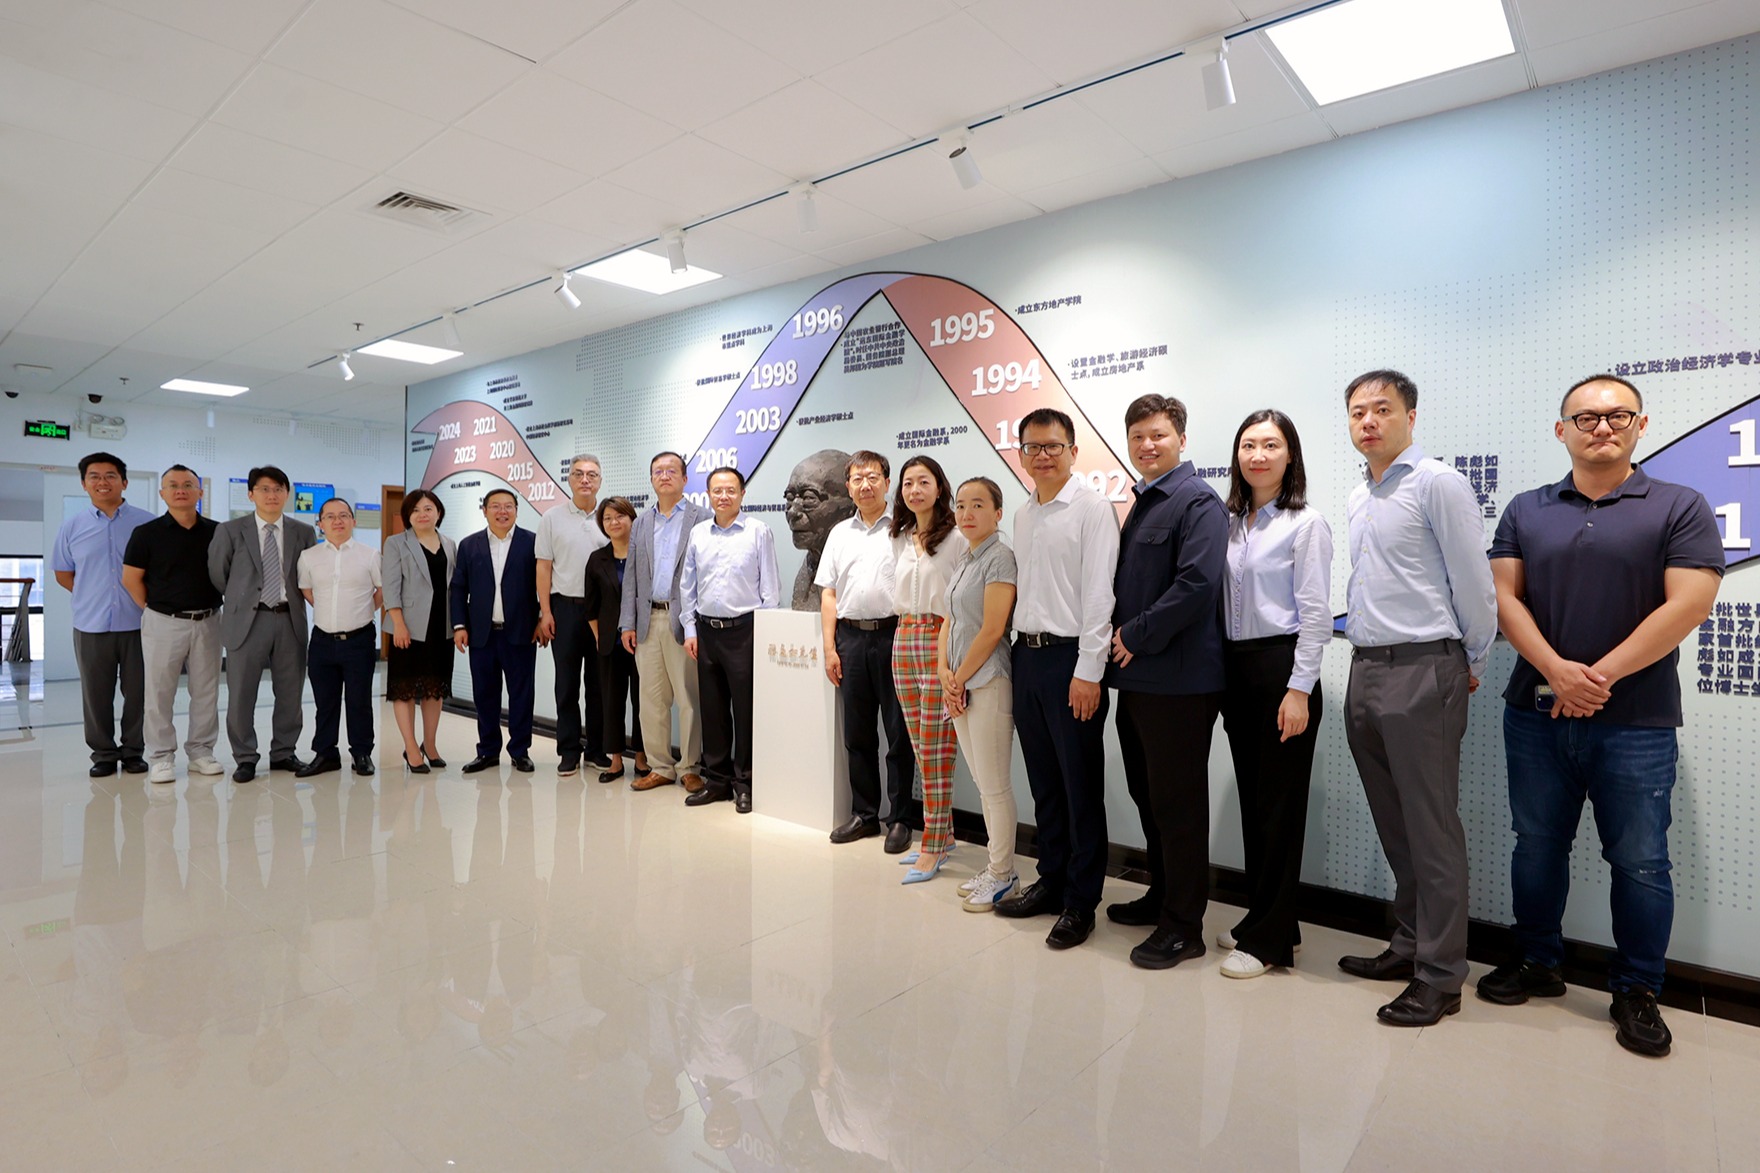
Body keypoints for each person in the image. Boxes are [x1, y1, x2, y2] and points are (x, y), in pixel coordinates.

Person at [1482, 374, 1722, 1057]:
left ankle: (1637, 988)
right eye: (1585, 418)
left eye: (1618, 415)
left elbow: (1689, 603)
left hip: (1637, 721)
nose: (1603, 427)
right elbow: (1504, 598)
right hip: (1536, 714)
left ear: (1640, 426)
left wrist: (1598, 677)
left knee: (1641, 861)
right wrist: (1557, 672)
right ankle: (1538, 961)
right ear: (1562, 430)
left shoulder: (1679, 505)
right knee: (1536, 844)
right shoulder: (1526, 509)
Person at [1336, 370, 1497, 1027]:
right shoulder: (1359, 495)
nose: (1369, 421)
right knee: (1395, 822)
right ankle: (1408, 944)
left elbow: (1474, 582)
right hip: (1366, 667)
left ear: (1410, 415)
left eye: (1382, 409)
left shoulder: (1438, 483)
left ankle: (1440, 975)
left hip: (1425, 665)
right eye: (1358, 412)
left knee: (1431, 829)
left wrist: (1470, 659)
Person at [1105, 394, 1229, 970]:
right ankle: (1162, 896)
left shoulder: (1197, 500)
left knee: (1178, 807)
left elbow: (1197, 584)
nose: (1147, 445)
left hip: (1178, 683)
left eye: (1157, 435)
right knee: (1149, 797)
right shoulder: (1144, 501)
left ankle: (1184, 926)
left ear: (1181, 438)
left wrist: (1136, 633)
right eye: (1137, 437)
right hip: (1139, 681)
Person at [993, 408, 1120, 949]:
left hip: (1073, 661)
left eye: (1053, 446)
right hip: (1027, 658)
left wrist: (1090, 671)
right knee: (1043, 780)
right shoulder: (1024, 514)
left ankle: (1081, 901)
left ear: (1072, 451)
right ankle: (1051, 879)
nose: (1042, 455)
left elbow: (1099, 596)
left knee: (1079, 785)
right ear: (1021, 454)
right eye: (1032, 447)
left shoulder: (1092, 509)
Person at [1215, 410, 1332, 979]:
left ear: (1290, 455)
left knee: (1279, 810)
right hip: (1236, 671)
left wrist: (1299, 689)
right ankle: (1272, 919)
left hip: (1282, 670)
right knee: (1255, 806)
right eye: (1248, 445)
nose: (1257, 455)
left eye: (1270, 445)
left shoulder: (1305, 524)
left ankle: (1268, 944)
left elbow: (1316, 617)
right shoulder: (1230, 522)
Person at [820, 451, 918, 853]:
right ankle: (864, 814)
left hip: (895, 635)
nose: (865, 485)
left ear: (887, 482)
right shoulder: (839, 533)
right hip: (850, 639)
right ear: (848, 486)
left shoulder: (906, 529)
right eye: (857, 478)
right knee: (857, 734)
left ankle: (900, 819)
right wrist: (830, 647)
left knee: (899, 733)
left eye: (873, 477)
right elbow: (829, 593)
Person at [938, 477, 1020, 911]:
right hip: (961, 683)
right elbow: (949, 621)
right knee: (983, 784)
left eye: (978, 505)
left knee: (995, 786)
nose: (967, 513)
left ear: (997, 513)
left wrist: (959, 677)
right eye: (961, 505)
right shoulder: (965, 559)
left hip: (988, 681)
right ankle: (995, 867)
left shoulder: (999, 557)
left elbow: (992, 629)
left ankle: (1004, 875)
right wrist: (944, 673)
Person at [679, 467, 780, 814]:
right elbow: (688, 586)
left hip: (745, 632)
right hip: (706, 632)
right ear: (708, 494)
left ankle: (745, 783)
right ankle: (717, 781)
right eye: (717, 491)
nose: (724, 496)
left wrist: (764, 635)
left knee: (745, 711)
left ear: (742, 494)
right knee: (713, 711)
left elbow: (770, 590)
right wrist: (690, 630)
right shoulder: (698, 534)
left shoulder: (758, 531)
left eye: (731, 490)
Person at [209, 465, 317, 783]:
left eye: (278, 489)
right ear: (251, 494)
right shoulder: (230, 531)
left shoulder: (303, 532)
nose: (272, 495)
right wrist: (242, 601)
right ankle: (245, 757)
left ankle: (284, 752)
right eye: (264, 489)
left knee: (290, 693)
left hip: (289, 619)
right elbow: (218, 575)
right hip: (247, 622)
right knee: (242, 694)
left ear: (287, 494)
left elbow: (310, 576)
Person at [52, 451, 154, 777]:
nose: (102, 482)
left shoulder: (147, 523)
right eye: (94, 476)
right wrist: (91, 595)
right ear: (84, 484)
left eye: (110, 475)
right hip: (91, 624)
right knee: (96, 695)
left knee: (138, 693)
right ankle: (104, 754)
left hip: (139, 624)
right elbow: (63, 573)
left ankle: (134, 751)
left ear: (124, 482)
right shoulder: (72, 527)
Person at [888, 455, 966, 882]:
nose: (915, 490)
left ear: (939, 488)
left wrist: (948, 655)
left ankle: (932, 846)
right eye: (908, 483)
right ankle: (945, 833)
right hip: (903, 637)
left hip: (941, 638)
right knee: (920, 746)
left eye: (923, 482)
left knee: (938, 751)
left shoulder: (956, 536)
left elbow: (960, 601)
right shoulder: (900, 536)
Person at [120, 464, 223, 785]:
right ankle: (161, 757)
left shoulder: (218, 532)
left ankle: (201, 752)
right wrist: (155, 610)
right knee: (159, 692)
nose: (181, 490)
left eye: (188, 485)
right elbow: (131, 579)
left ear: (200, 492)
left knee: (206, 690)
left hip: (208, 620)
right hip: (163, 621)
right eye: (173, 485)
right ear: (162, 493)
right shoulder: (146, 534)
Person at [621, 452, 711, 794]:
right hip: (648, 623)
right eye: (658, 471)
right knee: (651, 700)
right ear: (651, 479)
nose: (664, 476)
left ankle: (690, 767)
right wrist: (627, 623)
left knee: (689, 699)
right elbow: (631, 577)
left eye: (672, 470)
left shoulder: (702, 518)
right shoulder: (642, 523)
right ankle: (660, 766)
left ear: (685, 479)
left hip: (684, 623)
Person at [452, 488, 543, 774]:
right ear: (485, 510)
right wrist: (459, 625)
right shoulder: (469, 545)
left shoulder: (533, 543)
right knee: (485, 695)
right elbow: (458, 588)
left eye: (508, 506)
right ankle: (488, 751)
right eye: (495, 506)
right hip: (482, 634)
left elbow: (544, 584)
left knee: (521, 695)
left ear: (516, 510)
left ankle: (520, 751)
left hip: (522, 632)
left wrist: (542, 618)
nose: (502, 512)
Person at [296, 498, 382, 777]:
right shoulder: (309, 557)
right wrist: (328, 613)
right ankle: (326, 753)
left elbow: (382, 590)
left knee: (359, 700)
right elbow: (307, 591)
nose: (338, 521)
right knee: (325, 701)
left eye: (344, 515)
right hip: (322, 641)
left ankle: (361, 753)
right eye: (330, 516)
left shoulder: (370, 555)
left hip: (359, 639)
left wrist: (362, 611)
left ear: (353, 521)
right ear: (320, 523)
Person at [537, 454, 609, 776]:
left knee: (598, 685)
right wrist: (545, 612)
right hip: (564, 609)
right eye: (578, 474)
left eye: (592, 474)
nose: (585, 480)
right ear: (569, 479)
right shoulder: (552, 518)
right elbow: (543, 567)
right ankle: (568, 750)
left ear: (600, 481)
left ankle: (596, 749)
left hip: (602, 613)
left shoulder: (609, 516)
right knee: (566, 685)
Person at [382, 489, 457, 773]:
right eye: (415, 510)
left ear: (438, 512)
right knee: (404, 689)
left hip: (441, 626)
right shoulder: (396, 543)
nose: (422, 514)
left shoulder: (449, 544)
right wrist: (398, 624)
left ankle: (430, 745)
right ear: (407, 516)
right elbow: (390, 587)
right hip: (409, 628)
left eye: (428, 509)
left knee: (434, 689)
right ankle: (411, 748)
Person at [584, 497, 647, 784]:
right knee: (612, 700)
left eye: (620, 516)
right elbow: (591, 606)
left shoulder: (644, 554)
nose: (614, 522)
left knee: (642, 700)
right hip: (610, 642)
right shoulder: (597, 559)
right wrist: (600, 638)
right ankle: (616, 760)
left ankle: (642, 756)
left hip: (643, 640)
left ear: (632, 518)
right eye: (607, 518)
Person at [783, 449, 856, 610]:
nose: (793, 512)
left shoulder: (863, 569)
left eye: (809, 498)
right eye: (789, 498)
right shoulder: (808, 570)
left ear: (850, 505)